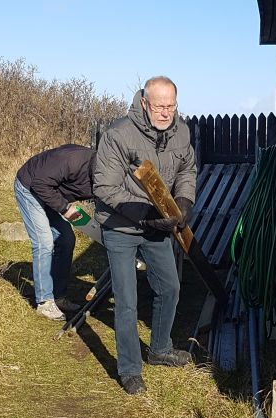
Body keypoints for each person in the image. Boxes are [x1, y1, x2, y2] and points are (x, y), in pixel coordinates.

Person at [93, 76, 197, 395]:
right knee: (126, 300)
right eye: (159, 106)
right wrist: (148, 215)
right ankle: (129, 369)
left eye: (171, 106)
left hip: (158, 226)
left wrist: (183, 202)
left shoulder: (181, 131)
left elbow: (187, 171)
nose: (165, 113)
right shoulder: (118, 134)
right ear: (143, 102)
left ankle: (160, 349)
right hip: (121, 225)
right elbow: (105, 187)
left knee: (170, 287)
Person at [14, 144, 97, 320]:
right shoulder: (72, 160)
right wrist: (64, 208)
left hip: (52, 194)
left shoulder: (109, 178)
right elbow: (40, 183)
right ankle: (44, 302)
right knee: (43, 242)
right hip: (30, 187)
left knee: (66, 240)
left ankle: (58, 296)